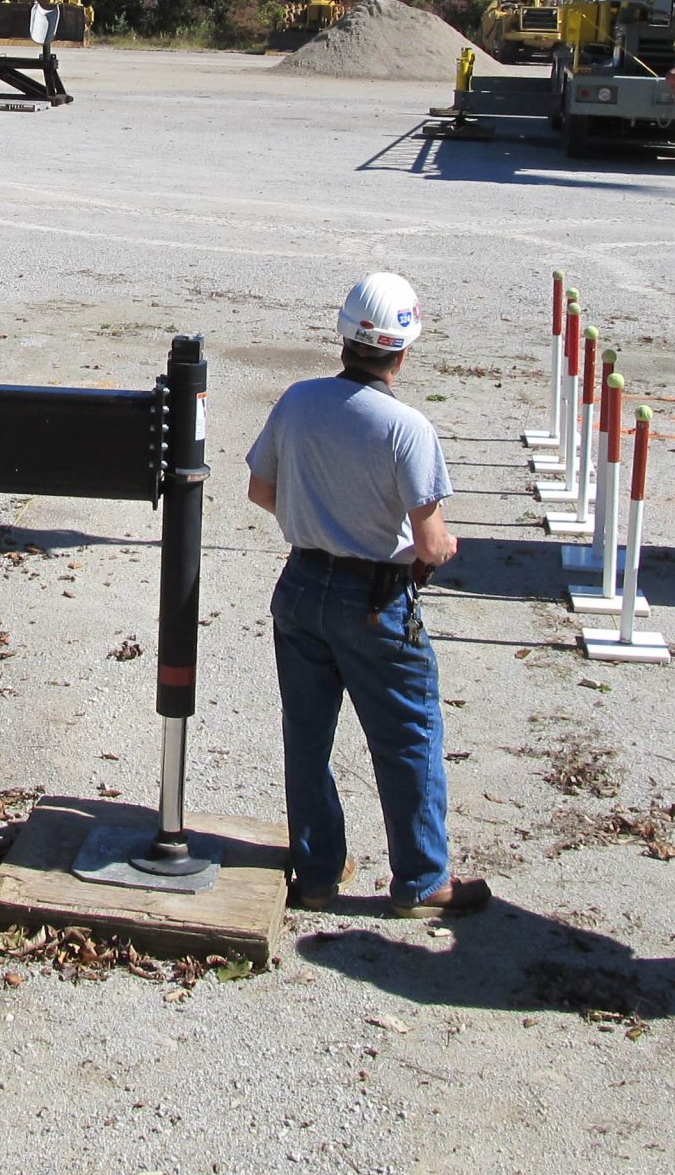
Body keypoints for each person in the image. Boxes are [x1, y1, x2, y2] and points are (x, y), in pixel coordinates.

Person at [245, 272, 490, 919]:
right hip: (375, 601)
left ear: (344, 336)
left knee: (307, 737)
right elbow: (432, 543)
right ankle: (421, 880)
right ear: (403, 352)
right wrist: (432, 548)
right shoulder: (406, 429)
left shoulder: (297, 402)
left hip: (299, 587)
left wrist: (319, 523)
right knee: (408, 737)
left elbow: (261, 491)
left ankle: (318, 872)